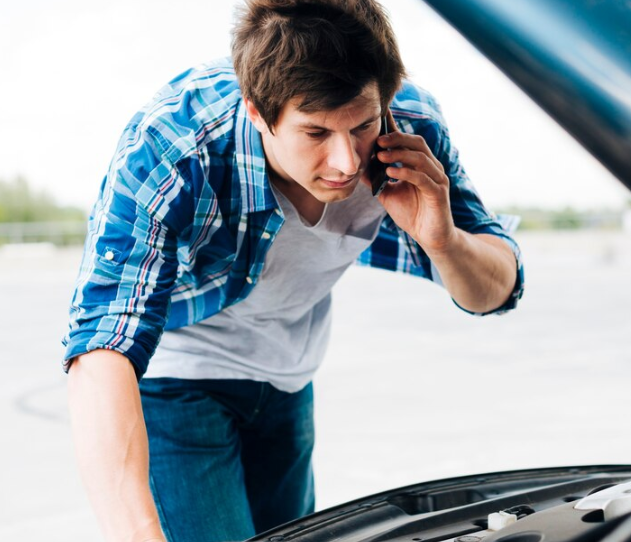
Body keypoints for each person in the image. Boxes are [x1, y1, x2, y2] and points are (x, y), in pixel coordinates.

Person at [63, 1, 525, 541]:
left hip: (288, 374)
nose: (347, 163)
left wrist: (444, 242)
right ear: (258, 112)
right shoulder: (173, 145)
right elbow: (100, 349)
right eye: (314, 134)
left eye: (361, 126)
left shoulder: (412, 126)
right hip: (179, 373)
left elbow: (498, 289)